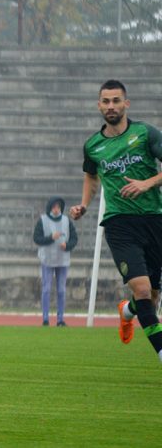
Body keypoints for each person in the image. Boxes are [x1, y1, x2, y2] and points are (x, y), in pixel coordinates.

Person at [69, 79, 162, 361]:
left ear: (126, 104)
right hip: (119, 223)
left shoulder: (145, 134)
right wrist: (84, 205)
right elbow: (91, 176)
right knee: (143, 289)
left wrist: (148, 183)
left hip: (154, 220)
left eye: (116, 101)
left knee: (151, 299)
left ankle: (127, 311)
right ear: (99, 105)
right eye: (106, 101)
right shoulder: (93, 146)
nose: (111, 106)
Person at [32, 196, 78, 327]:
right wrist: (50, 238)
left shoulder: (66, 221)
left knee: (61, 290)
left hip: (62, 259)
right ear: (50, 207)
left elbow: (74, 239)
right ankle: (45, 318)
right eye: (54, 207)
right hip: (47, 259)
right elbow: (37, 238)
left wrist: (67, 245)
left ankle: (60, 319)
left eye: (58, 207)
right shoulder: (43, 220)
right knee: (46, 289)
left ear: (61, 208)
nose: (56, 209)